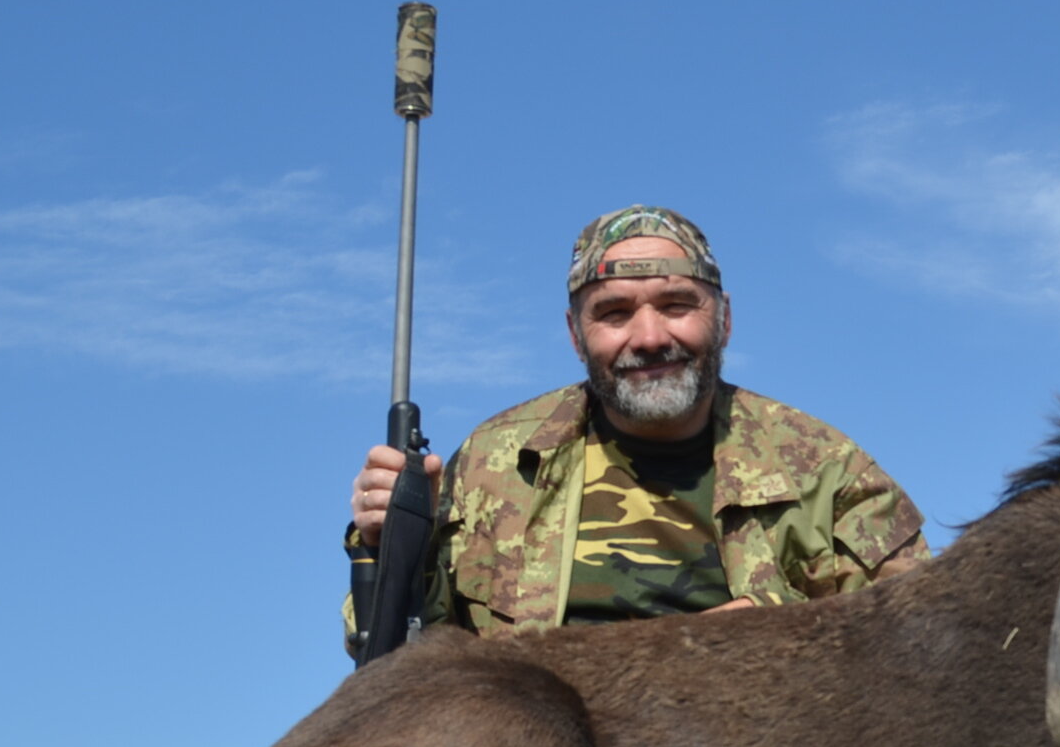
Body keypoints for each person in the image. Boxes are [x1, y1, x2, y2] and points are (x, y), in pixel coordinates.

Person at [345, 205, 927, 653]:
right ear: (576, 337)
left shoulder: (828, 472)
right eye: (615, 313)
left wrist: (773, 636)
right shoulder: (492, 464)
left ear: (724, 321)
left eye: (677, 305)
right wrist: (388, 546)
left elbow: (921, 643)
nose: (649, 338)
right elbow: (396, 655)